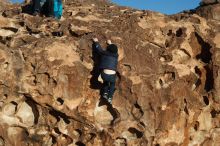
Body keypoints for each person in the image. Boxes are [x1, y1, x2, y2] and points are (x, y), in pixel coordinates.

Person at [92, 38, 119, 104]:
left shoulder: (104, 53)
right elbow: (115, 49)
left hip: (104, 74)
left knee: (105, 82)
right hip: (112, 74)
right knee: (112, 85)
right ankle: (110, 97)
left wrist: (96, 42)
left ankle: (105, 93)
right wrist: (111, 43)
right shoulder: (116, 55)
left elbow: (99, 49)